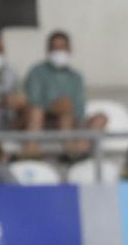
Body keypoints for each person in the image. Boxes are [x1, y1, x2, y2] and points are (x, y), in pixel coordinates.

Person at [23, 30, 107, 159]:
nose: (59, 51)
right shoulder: (37, 72)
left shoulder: (76, 77)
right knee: (57, 109)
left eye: (62, 47)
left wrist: (68, 112)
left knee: (100, 118)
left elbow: (79, 109)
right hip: (44, 121)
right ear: (48, 51)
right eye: (55, 48)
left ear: (69, 50)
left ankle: (75, 153)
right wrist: (54, 107)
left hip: (70, 121)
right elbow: (33, 101)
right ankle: (58, 150)